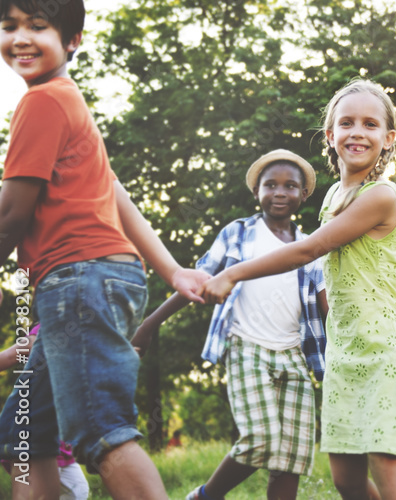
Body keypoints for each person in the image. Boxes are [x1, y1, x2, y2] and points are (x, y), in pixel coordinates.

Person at [200, 78, 396, 500]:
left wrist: (235, 273)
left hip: (384, 347)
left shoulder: (382, 194)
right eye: (347, 122)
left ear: (388, 139)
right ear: (330, 135)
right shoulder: (335, 193)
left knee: (385, 466)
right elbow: (390, 237)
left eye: (370, 124)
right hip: (345, 349)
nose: (357, 132)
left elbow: (312, 248)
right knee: (346, 480)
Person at [0, 0, 210, 498]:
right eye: (9, 27)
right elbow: (118, 197)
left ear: (72, 41)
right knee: (22, 437)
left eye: (38, 26)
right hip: (89, 279)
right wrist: (173, 269)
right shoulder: (69, 104)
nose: (21, 37)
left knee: (99, 431)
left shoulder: (44, 101)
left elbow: (11, 215)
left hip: (78, 279)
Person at [130, 149, 375, 500]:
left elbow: (328, 309)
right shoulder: (239, 233)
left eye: (290, 186)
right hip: (246, 346)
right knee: (260, 439)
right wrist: (149, 325)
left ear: (303, 195)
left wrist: (356, 350)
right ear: (256, 191)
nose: (279, 192)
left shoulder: (310, 247)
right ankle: (205, 496)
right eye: (270, 184)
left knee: (291, 457)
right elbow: (197, 281)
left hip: (295, 355)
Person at [0, 325, 90, 500]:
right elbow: (9, 357)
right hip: (30, 429)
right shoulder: (45, 330)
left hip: (58, 437)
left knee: (78, 491)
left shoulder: (87, 331)